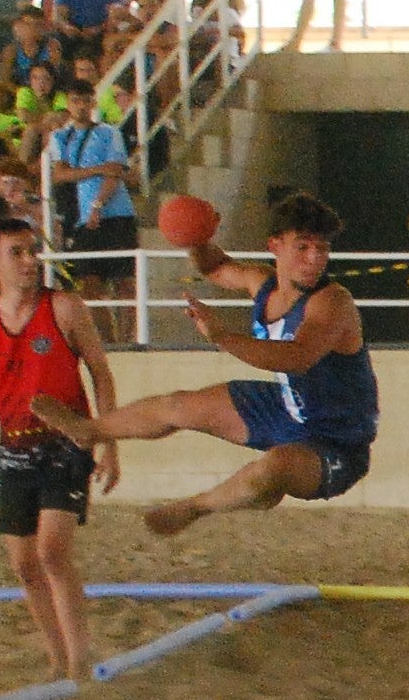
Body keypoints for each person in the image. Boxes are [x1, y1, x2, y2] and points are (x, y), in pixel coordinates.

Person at [31, 192, 377, 536]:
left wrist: (222, 336)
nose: (314, 259)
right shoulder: (261, 283)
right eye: (303, 247)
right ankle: (90, 431)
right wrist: (197, 238)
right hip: (286, 405)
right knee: (177, 405)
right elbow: (215, 266)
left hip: (336, 439)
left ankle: (196, 507)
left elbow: (298, 358)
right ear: (275, 246)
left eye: (322, 249)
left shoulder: (332, 302)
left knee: (273, 468)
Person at [0, 215, 120, 678]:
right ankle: (57, 657)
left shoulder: (64, 308)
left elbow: (100, 374)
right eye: (16, 253)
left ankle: (79, 659)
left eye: (31, 251)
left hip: (67, 443)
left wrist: (108, 443)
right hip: (14, 448)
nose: (29, 261)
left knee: (52, 552)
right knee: (23, 565)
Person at [41, 76, 137, 313]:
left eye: (86, 101)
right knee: (89, 284)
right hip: (82, 218)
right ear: (68, 104)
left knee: (124, 282)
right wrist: (97, 169)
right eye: (76, 101)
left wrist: (98, 204)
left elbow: (114, 171)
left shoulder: (109, 133)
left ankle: (130, 334)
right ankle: (104, 333)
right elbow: (60, 175)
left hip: (117, 214)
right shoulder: (60, 137)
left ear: (93, 102)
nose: (81, 106)